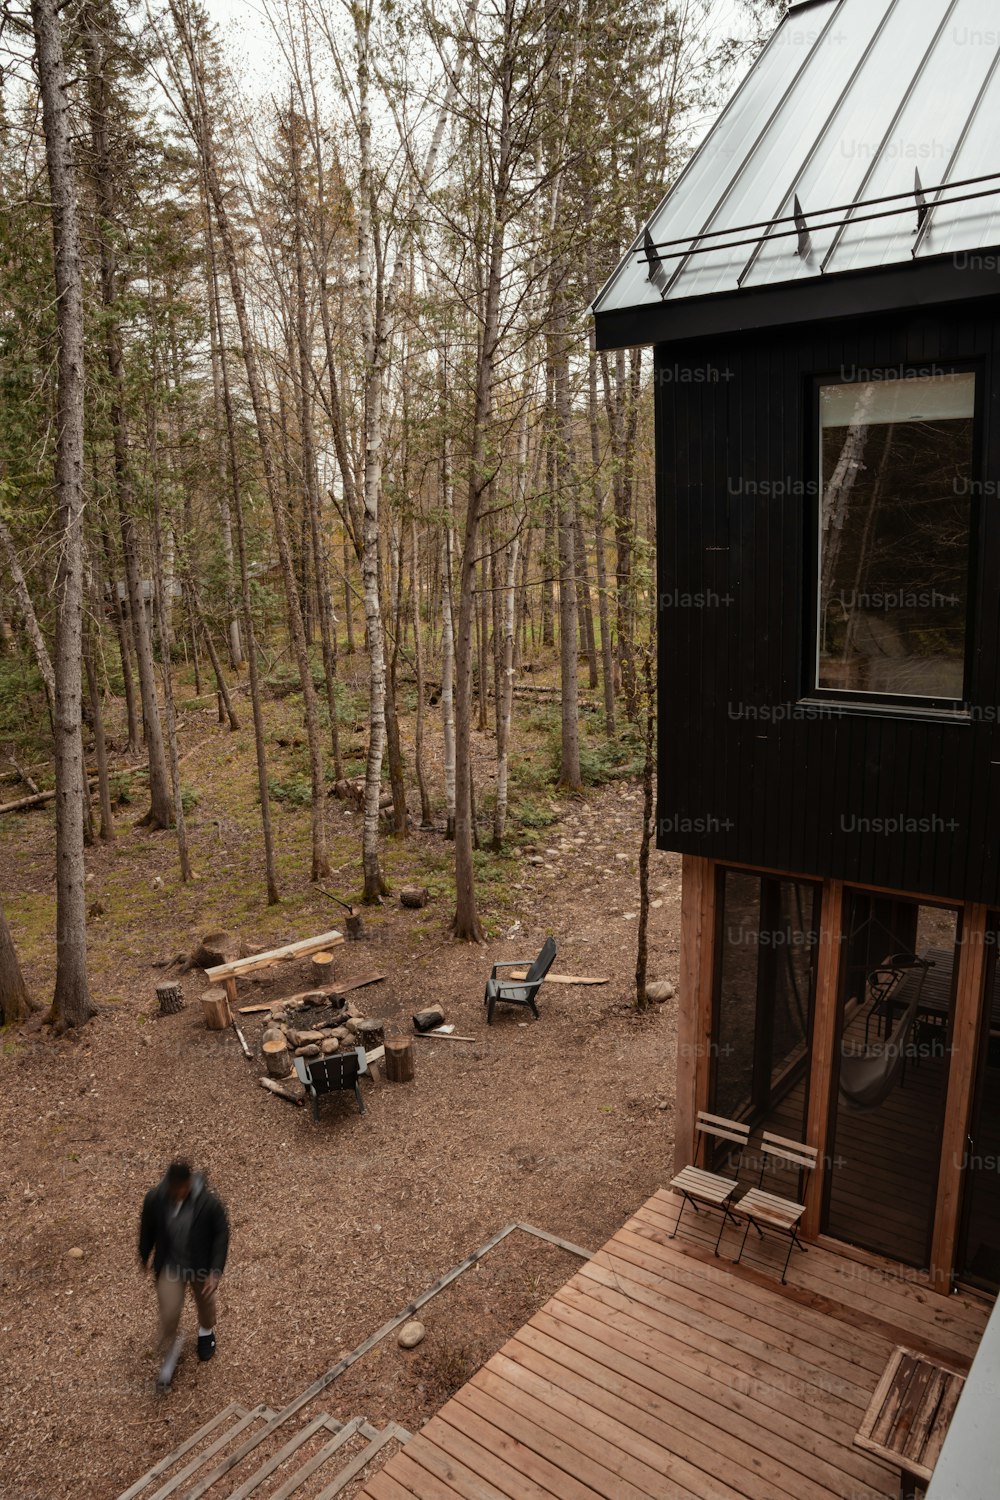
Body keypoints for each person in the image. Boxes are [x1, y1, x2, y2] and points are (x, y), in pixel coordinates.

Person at [138, 1160, 230, 1392]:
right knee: (168, 1312)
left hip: (200, 1265)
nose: (178, 1192)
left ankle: (205, 1331)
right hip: (171, 1265)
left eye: (182, 1188)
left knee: (205, 1302)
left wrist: (215, 1270)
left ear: (189, 1183)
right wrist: (144, 1254)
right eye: (173, 1188)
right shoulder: (155, 1200)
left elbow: (221, 1233)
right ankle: (172, 1348)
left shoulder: (207, 1203)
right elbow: (147, 1228)